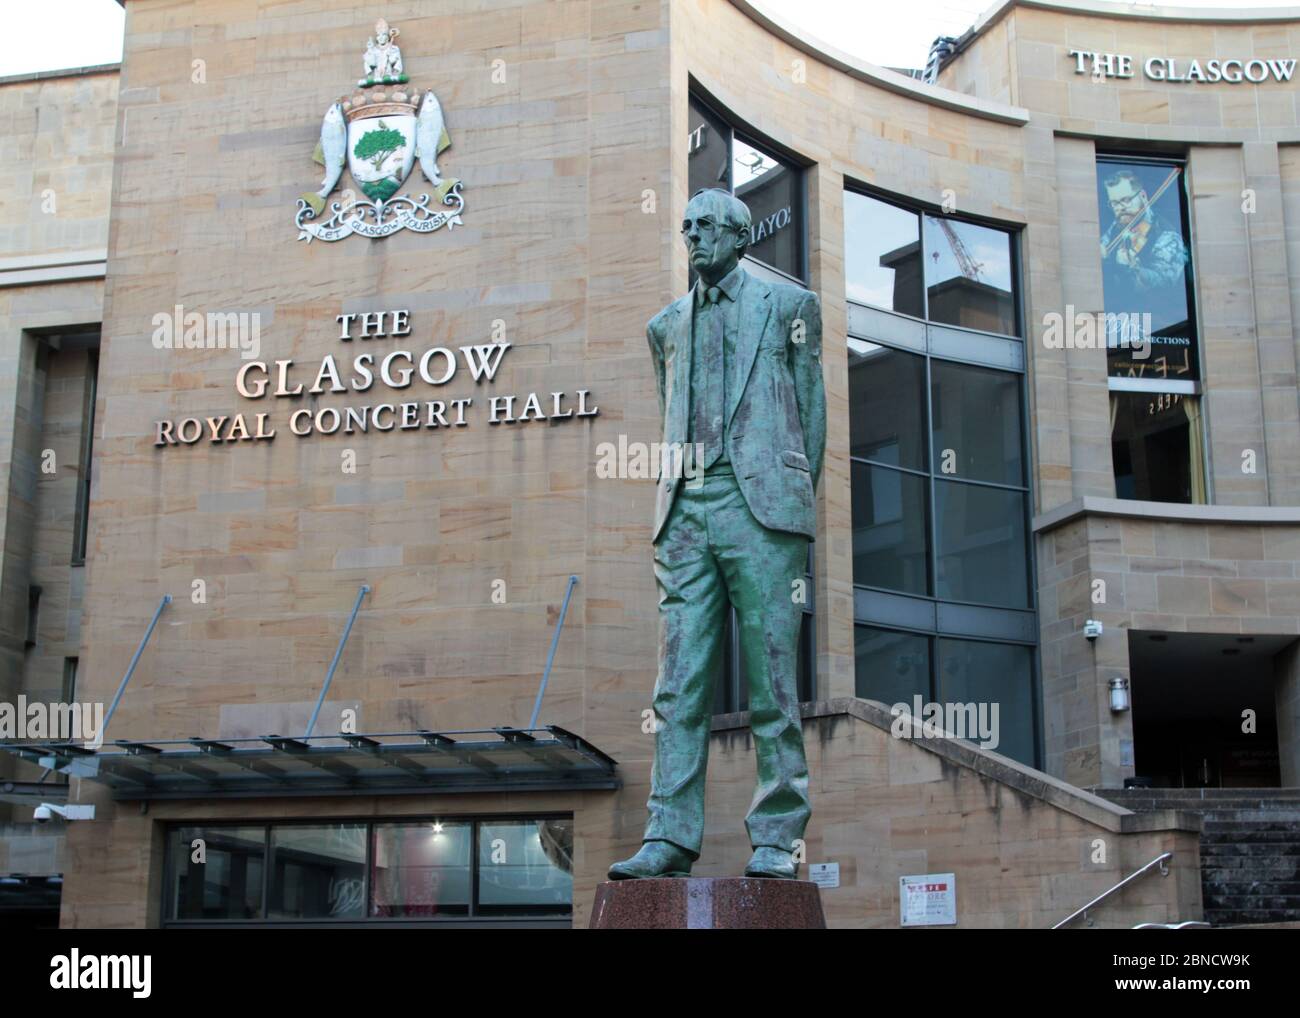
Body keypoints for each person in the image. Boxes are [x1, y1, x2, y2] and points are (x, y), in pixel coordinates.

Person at [608, 188, 825, 880]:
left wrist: (788, 495)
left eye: (706, 228)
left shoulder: (789, 308)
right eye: (686, 229)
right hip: (685, 512)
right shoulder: (664, 327)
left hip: (760, 510)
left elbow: (810, 415)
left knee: (772, 680)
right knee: (678, 685)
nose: (693, 238)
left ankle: (777, 836)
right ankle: (668, 835)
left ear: (740, 237)